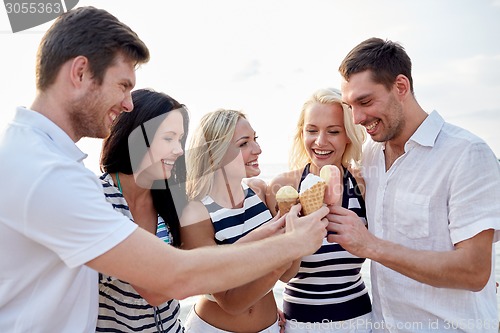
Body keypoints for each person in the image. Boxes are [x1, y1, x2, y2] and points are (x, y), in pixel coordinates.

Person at [0, 6, 330, 332]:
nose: (128, 103)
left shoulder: (46, 160)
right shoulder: (46, 173)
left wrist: (271, 233)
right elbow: (170, 278)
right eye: (123, 85)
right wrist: (291, 244)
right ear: (81, 72)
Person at [328, 37, 500, 332]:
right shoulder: (370, 153)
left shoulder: (467, 153)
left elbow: (474, 271)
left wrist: (370, 246)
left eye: (365, 102)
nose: (356, 118)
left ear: (401, 87)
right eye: (350, 106)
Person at [266, 88, 372, 333]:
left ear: (348, 135)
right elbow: (270, 267)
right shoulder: (284, 187)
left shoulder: (362, 184)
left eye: (333, 131)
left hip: (360, 321)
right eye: (312, 130)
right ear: (301, 133)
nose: (320, 141)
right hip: (299, 323)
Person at [180, 109, 294, 333]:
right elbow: (232, 303)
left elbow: (288, 275)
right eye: (243, 144)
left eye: (255, 139)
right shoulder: (195, 212)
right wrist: (287, 247)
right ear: (214, 153)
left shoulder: (259, 191)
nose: (258, 150)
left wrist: (297, 226)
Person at [97, 88, 189, 332]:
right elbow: (154, 291)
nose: (179, 150)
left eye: (179, 139)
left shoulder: (170, 198)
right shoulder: (98, 199)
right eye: (168, 138)